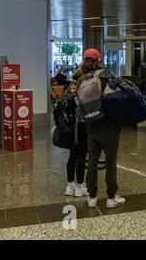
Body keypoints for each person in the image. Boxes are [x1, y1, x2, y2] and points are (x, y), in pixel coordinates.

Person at [78, 48, 125, 209]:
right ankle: (111, 197)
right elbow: (118, 97)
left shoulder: (81, 79)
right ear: (99, 59)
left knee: (92, 161)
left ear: (85, 60)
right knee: (111, 161)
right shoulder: (106, 75)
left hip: (91, 125)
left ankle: (92, 197)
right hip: (109, 125)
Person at [65, 66, 89, 197]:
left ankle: (70, 185)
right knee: (81, 157)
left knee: (72, 156)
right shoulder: (83, 89)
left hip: (69, 128)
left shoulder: (70, 87)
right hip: (81, 127)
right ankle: (80, 187)